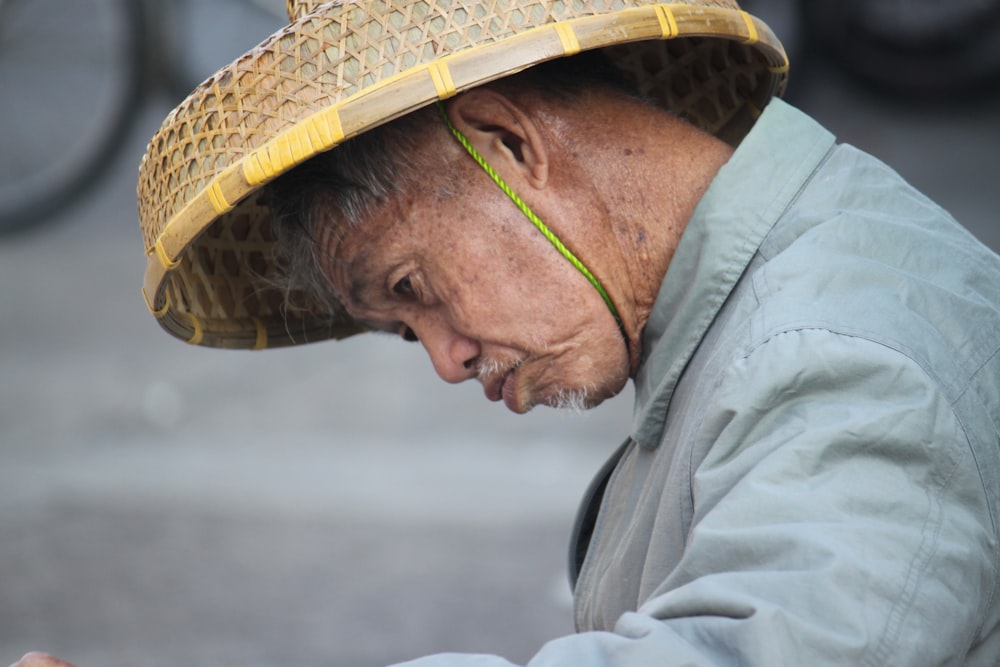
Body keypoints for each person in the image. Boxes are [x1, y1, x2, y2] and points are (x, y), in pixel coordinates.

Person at [14, 0, 1000, 665]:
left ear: (510, 145)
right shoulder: (768, 305)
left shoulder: (841, 359)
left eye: (415, 288)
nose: (447, 359)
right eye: (406, 330)